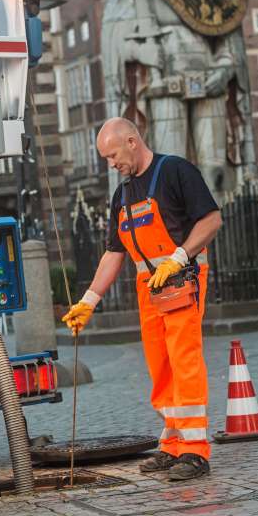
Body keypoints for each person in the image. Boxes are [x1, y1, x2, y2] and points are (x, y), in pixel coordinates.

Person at [62, 117, 223, 481]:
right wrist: (89, 300)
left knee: (184, 360)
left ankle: (196, 451)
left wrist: (179, 257)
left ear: (132, 141)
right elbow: (114, 252)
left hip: (182, 280)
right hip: (148, 288)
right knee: (160, 366)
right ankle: (173, 443)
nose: (111, 163)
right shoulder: (122, 194)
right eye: (105, 157)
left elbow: (211, 220)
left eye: (113, 154)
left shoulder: (176, 171)